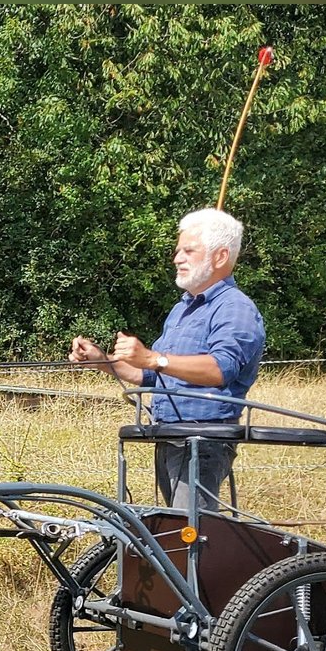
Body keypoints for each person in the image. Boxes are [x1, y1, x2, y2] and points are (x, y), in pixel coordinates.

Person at [69, 207, 265, 510]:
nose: (177, 258)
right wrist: (102, 361)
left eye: (188, 250)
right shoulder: (182, 310)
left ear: (220, 257)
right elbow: (151, 375)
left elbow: (219, 369)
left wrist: (153, 358)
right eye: (177, 251)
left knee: (193, 538)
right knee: (174, 534)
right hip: (170, 437)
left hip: (204, 441)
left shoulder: (234, 308)